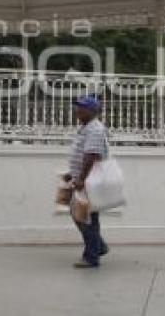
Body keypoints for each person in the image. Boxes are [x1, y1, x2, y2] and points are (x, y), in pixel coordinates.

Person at [65, 95, 110, 269]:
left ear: (92, 111)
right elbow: (83, 154)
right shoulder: (87, 128)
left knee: (84, 217)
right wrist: (74, 173)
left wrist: (82, 179)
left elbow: (92, 155)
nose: (77, 110)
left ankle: (92, 256)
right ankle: (98, 247)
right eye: (77, 106)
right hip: (86, 178)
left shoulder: (94, 129)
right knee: (83, 215)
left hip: (90, 180)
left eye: (81, 107)